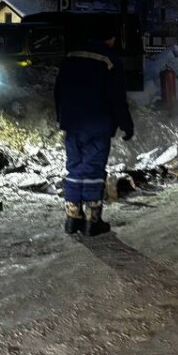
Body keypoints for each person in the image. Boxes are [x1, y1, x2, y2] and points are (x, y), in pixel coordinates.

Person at [54, 25, 135, 236]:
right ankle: (93, 221)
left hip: (72, 122)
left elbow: (58, 89)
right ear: (110, 39)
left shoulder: (71, 55)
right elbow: (117, 98)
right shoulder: (110, 60)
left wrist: (61, 118)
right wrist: (126, 124)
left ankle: (73, 218)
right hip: (97, 123)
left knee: (74, 167)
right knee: (92, 169)